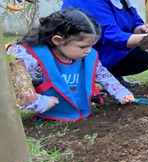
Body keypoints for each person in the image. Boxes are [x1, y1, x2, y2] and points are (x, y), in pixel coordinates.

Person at [6, 9, 135, 122]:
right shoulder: (27, 56)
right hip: (46, 100)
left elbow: (102, 74)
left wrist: (120, 92)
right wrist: (39, 102)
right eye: (83, 46)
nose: (88, 51)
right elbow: (15, 86)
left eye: (91, 46)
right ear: (58, 40)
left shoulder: (86, 55)